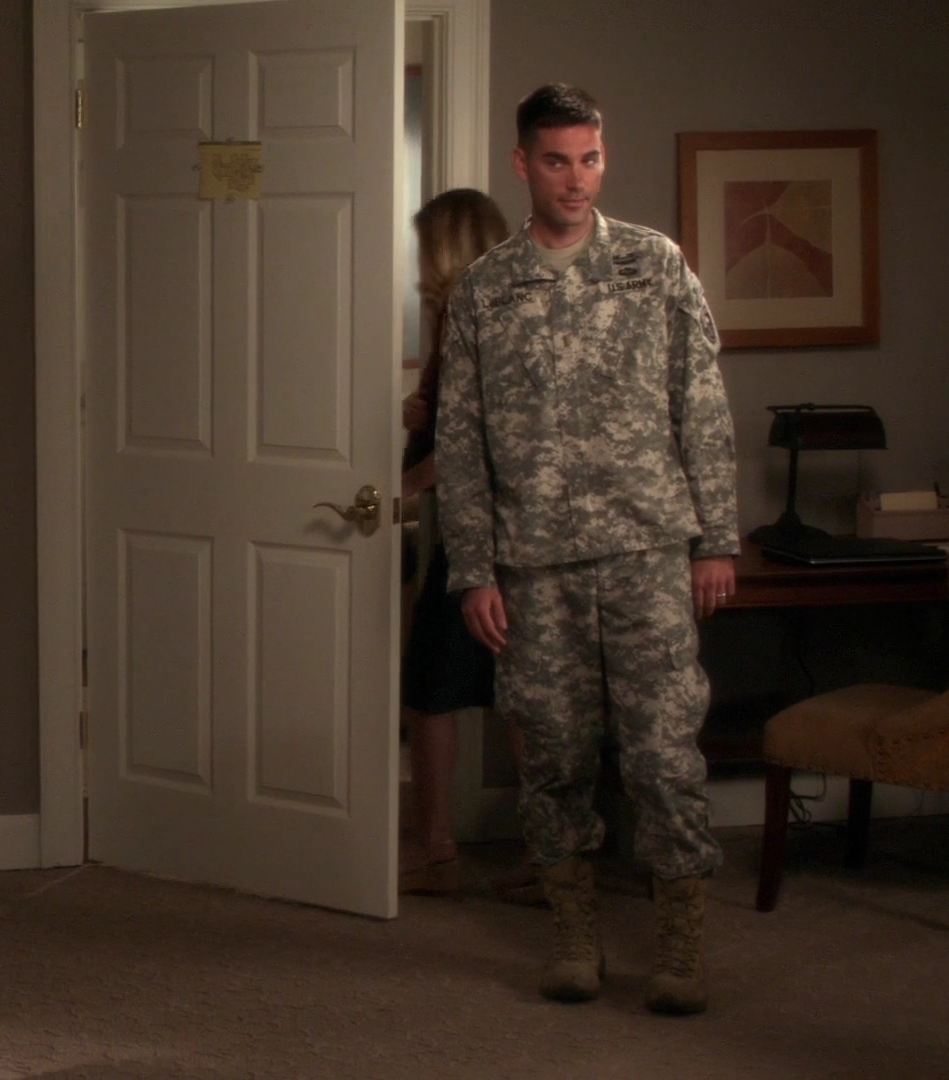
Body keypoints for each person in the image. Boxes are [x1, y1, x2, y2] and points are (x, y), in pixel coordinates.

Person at [435, 84, 738, 1015]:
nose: (576, 178)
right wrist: (473, 569)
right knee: (554, 760)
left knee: (663, 758)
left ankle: (680, 947)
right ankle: (573, 935)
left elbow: (702, 404)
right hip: (535, 566)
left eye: (591, 159)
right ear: (522, 164)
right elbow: (461, 441)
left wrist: (716, 540)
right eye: (557, 161)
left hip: (648, 551)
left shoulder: (654, 264)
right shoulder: (485, 290)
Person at [398, 187, 512, 897]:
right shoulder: (457, 323)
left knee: (446, 692)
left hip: (489, 538)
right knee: (455, 689)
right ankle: (447, 851)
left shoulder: (487, 318)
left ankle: (446, 851)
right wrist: (420, 408)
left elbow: (481, 438)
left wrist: (401, 489)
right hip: (478, 535)